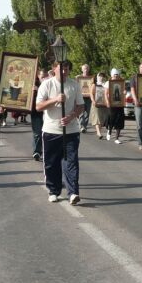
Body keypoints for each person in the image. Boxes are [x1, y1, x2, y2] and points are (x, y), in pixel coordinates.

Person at [36, 60, 85, 204]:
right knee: (52, 163)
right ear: (54, 69)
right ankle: (53, 190)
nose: (64, 72)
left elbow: (81, 106)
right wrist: (55, 100)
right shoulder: (47, 84)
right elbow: (38, 106)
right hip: (51, 130)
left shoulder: (74, 85)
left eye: (67, 69)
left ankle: (73, 192)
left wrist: (71, 116)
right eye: (62, 69)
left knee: (71, 162)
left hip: (71, 131)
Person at [30, 68, 49, 160]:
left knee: (46, 133)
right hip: (36, 113)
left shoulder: (50, 85)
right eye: (42, 77)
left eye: (46, 77)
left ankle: (46, 152)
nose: (44, 79)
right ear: (38, 76)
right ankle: (37, 151)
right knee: (37, 133)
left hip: (48, 113)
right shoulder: (33, 85)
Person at [105, 68, 125, 144]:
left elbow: (123, 92)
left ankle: (117, 138)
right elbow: (106, 94)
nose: (116, 76)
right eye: (114, 75)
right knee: (111, 118)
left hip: (120, 104)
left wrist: (125, 92)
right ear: (112, 75)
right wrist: (107, 102)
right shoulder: (108, 82)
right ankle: (109, 130)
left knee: (119, 120)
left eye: (117, 74)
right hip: (111, 103)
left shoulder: (121, 82)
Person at [89, 72, 108, 139]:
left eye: (102, 76)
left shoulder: (105, 85)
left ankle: (99, 131)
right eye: (100, 76)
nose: (101, 77)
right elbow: (91, 93)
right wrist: (93, 101)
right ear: (97, 77)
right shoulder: (94, 84)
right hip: (96, 104)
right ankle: (99, 133)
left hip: (103, 104)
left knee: (102, 119)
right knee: (97, 118)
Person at [76, 64, 93, 133]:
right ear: (82, 70)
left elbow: (93, 87)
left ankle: (84, 126)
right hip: (80, 97)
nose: (85, 70)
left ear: (88, 69)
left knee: (87, 113)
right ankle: (81, 126)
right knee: (81, 112)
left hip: (88, 97)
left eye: (87, 68)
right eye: (84, 68)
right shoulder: (78, 78)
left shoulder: (91, 78)